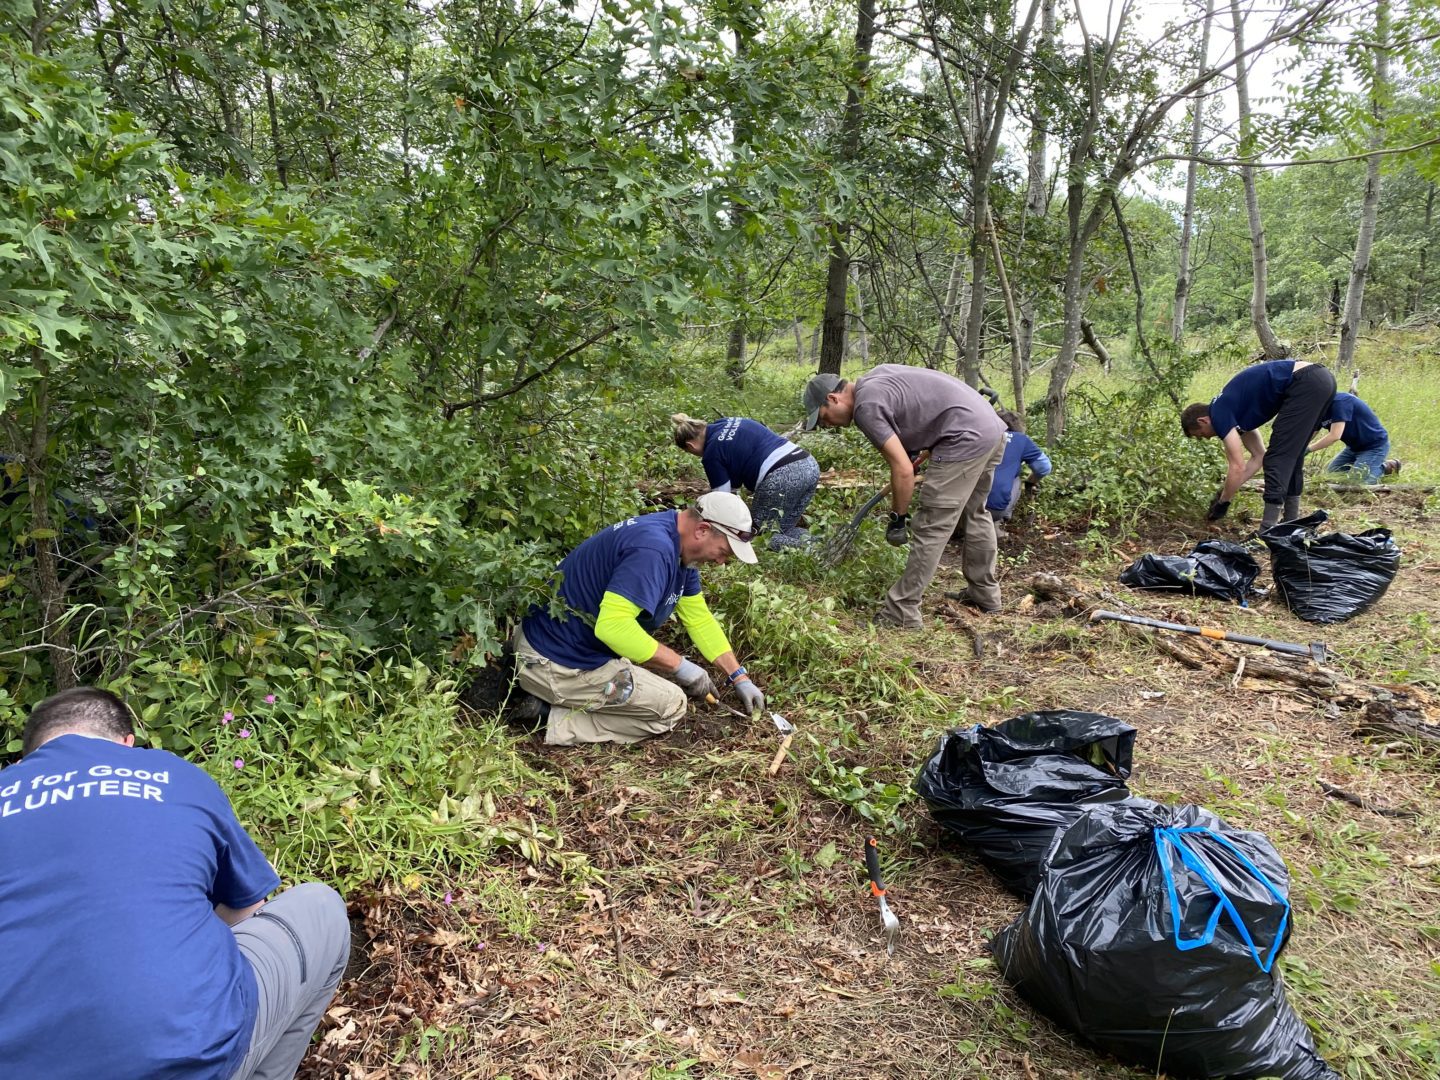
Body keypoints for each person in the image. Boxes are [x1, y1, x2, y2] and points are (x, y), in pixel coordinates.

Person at [0, 686, 350, 1080]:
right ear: (128, 743)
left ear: (27, 758)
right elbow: (248, 910)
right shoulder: (169, 773)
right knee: (321, 907)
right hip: (184, 1057)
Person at [512, 491, 767, 745]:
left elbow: (698, 619)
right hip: (554, 662)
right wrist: (681, 665)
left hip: (553, 643)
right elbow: (613, 628)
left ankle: (545, 694)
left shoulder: (680, 549)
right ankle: (546, 716)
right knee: (670, 705)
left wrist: (738, 676)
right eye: (723, 551)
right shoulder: (652, 551)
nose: (721, 561)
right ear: (702, 529)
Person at [802, 364, 1007, 625]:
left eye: (822, 417)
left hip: (965, 437)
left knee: (932, 525)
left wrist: (897, 517)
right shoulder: (877, 377)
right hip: (990, 428)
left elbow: (902, 471)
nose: (827, 424)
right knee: (975, 511)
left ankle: (901, 612)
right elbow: (917, 421)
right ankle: (984, 594)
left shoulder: (867, 407)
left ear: (833, 398)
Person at [1180, 358, 1337, 530]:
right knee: (1292, 455)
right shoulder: (1233, 409)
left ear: (1203, 421)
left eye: (1201, 435)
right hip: (1321, 379)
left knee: (1278, 457)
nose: (1207, 438)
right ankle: (1291, 525)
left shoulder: (1219, 414)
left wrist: (1223, 501)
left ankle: (1267, 531)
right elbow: (1259, 456)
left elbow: (1237, 466)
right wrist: (1226, 491)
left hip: (1305, 381)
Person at [670, 413, 819, 550]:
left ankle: (812, 551)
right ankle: (820, 543)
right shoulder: (728, 421)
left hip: (783, 476)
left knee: (760, 537)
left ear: (690, 446)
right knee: (784, 528)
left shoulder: (711, 454)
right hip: (809, 465)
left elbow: (722, 501)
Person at [1307, 391, 1400, 484]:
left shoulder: (1340, 401)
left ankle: (1386, 468)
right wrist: (1297, 447)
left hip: (1374, 446)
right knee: (1332, 475)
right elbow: (1311, 434)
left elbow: (1334, 436)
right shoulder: (1318, 409)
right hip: (1352, 448)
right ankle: (1364, 466)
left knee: (1358, 483)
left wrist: (1308, 449)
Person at [985, 410, 1052, 533]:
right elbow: (1044, 467)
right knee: (1016, 478)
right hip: (993, 509)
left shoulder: (981, 434)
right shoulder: (1021, 439)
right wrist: (1031, 482)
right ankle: (996, 525)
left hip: (963, 504)